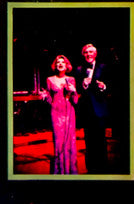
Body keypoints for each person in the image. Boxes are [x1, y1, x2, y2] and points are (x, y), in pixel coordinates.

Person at [41, 55, 79, 174]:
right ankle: (60, 171)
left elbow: (75, 100)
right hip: (56, 113)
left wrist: (74, 91)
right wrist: (44, 96)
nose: (60, 64)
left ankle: (70, 171)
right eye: (58, 62)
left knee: (70, 141)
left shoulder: (71, 79)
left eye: (63, 62)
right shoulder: (49, 79)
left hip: (69, 113)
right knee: (58, 142)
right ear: (55, 65)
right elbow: (49, 99)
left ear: (67, 66)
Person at [75, 44, 109, 173]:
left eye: (90, 52)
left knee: (101, 140)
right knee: (89, 141)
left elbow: (111, 84)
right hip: (87, 110)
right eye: (86, 52)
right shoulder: (79, 70)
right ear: (83, 55)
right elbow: (77, 89)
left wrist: (104, 86)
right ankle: (91, 169)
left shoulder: (103, 67)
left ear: (95, 54)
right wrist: (83, 85)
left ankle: (103, 168)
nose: (88, 54)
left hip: (99, 109)